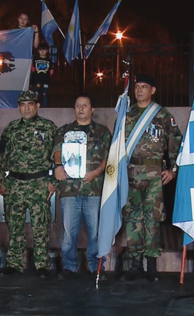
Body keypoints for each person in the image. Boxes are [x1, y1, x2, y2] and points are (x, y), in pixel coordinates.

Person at [122, 73, 182, 282]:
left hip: (155, 175)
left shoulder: (163, 116)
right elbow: (116, 147)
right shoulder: (126, 115)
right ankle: (135, 263)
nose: (139, 90)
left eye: (144, 87)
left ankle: (152, 264)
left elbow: (176, 143)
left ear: (153, 90)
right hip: (130, 174)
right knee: (132, 218)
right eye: (137, 87)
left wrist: (173, 169)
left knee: (153, 219)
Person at [0, 90, 57, 278]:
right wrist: (1, 182)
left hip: (39, 183)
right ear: (18, 108)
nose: (27, 108)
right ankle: (14, 263)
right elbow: (1, 157)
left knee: (41, 226)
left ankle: (41, 265)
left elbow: (59, 156)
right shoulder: (11, 128)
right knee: (14, 226)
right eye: (22, 105)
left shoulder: (48, 127)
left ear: (38, 106)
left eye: (30, 104)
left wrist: (54, 182)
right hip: (15, 183)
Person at [53, 95, 112, 280]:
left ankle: (96, 267)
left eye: (84, 105)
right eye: (77, 105)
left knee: (95, 233)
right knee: (69, 234)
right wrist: (58, 166)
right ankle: (69, 267)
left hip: (94, 188)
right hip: (70, 189)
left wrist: (96, 172)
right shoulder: (65, 130)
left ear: (92, 109)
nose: (81, 109)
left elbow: (109, 157)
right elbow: (56, 151)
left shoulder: (102, 131)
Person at [31, 42, 54, 108]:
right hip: (37, 80)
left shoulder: (49, 60)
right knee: (36, 94)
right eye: (41, 50)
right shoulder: (35, 60)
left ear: (47, 51)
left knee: (45, 94)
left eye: (44, 50)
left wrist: (48, 76)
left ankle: (44, 107)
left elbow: (51, 71)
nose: (42, 51)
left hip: (45, 81)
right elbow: (32, 69)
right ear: (38, 51)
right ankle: (35, 106)